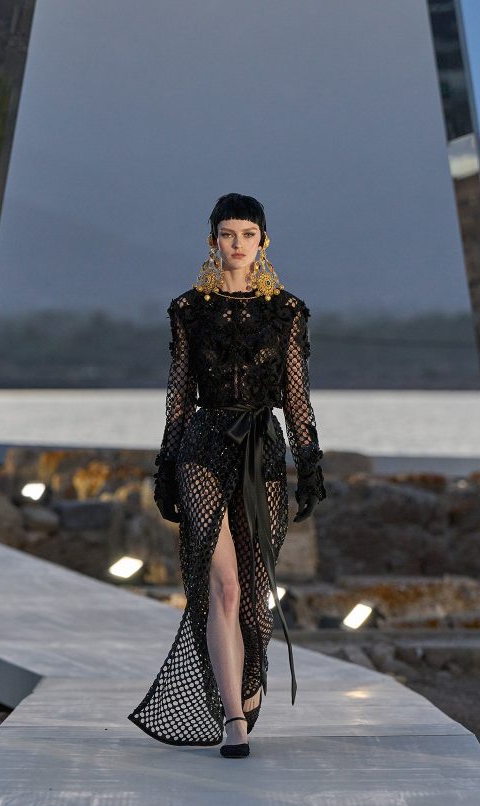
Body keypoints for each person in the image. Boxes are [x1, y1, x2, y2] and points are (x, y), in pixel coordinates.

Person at [127, 192, 326, 758]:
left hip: (262, 448)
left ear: (263, 242)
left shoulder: (286, 311)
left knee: (256, 595)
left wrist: (309, 464)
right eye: (227, 234)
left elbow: (296, 397)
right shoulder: (189, 309)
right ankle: (233, 717)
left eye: (247, 234)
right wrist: (166, 467)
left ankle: (250, 671)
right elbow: (178, 398)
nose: (237, 244)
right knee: (226, 586)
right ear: (212, 240)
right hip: (202, 448)